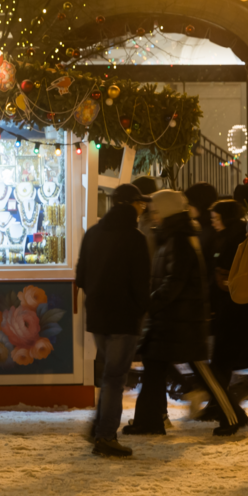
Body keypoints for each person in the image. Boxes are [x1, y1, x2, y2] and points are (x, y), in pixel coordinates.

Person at [127, 190, 246, 437]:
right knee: (154, 367)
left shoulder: (179, 239)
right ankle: (148, 421)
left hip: (184, 319)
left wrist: (151, 302)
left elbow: (175, 280)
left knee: (202, 371)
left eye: (156, 211)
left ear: (167, 211)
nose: (153, 216)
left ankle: (232, 416)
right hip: (171, 317)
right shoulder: (172, 236)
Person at [76, 183, 153, 457]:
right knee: (114, 378)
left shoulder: (93, 233)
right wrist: (142, 310)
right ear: (130, 204)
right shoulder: (135, 238)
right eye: (139, 203)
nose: (142, 208)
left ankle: (99, 428)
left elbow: (81, 277)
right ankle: (106, 436)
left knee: (110, 375)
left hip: (98, 316)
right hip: (125, 318)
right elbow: (142, 283)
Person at [198, 198, 248, 424]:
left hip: (233, 307)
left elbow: (227, 268)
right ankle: (220, 404)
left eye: (216, 218)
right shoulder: (237, 234)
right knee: (244, 358)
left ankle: (224, 407)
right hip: (238, 307)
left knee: (222, 360)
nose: (214, 222)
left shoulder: (233, 237)